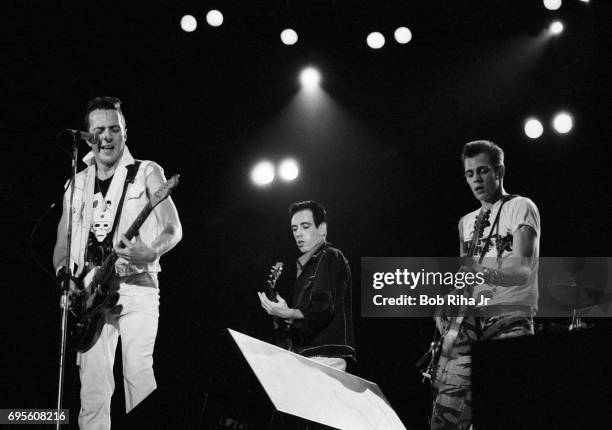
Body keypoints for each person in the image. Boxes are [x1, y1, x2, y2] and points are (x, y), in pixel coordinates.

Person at [53, 96, 182, 429]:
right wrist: (66, 278)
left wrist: (152, 251)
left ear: (125, 133)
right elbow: (62, 243)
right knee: (93, 388)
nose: (106, 137)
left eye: (114, 129)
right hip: (91, 295)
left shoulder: (147, 171)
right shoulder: (76, 183)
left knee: (137, 370)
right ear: (88, 135)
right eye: (99, 130)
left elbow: (173, 228)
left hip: (136, 285)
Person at [430, 140, 540, 429]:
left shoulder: (521, 207)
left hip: (510, 317)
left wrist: (485, 272)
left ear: (499, 170)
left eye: (483, 171)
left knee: (504, 412)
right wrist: (448, 300)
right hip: (469, 323)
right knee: (445, 414)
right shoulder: (466, 222)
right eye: (469, 174)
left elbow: (522, 269)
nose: (476, 179)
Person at [258, 200, 355, 371]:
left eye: (305, 226)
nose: (298, 234)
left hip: (323, 356)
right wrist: (288, 315)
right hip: (306, 355)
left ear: (322, 229)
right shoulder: (306, 269)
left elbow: (323, 308)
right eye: (294, 229)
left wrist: (285, 312)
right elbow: (309, 319)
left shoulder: (330, 255)